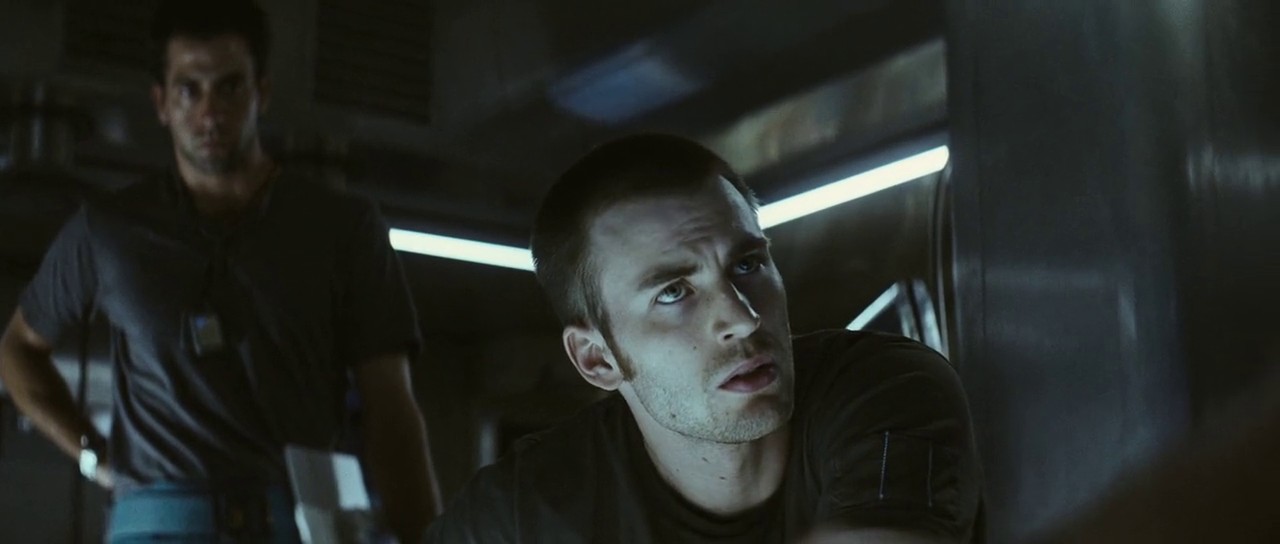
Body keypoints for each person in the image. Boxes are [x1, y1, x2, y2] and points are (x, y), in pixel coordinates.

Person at [0, 1, 439, 542]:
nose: (210, 112)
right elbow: (17, 350)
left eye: (229, 87)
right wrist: (95, 455)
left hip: (295, 519)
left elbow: (391, 407)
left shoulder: (341, 228)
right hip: (155, 522)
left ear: (262, 93)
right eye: (189, 90)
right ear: (161, 102)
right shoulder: (110, 230)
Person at [425, 134, 982, 543]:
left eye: (748, 264)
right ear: (597, 359)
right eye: (673, 292)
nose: (742, 317)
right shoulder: (524, 511)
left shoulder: (882, 389)